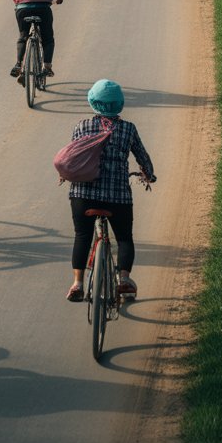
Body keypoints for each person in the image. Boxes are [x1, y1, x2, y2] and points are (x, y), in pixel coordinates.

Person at [65, 80, 154, 302]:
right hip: (118, 198)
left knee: (82, 235)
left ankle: (77, 284)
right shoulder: (128, 129)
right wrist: (149, 175)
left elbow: (73, 158)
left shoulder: (82, 126)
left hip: (82, 196)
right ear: (120, 104)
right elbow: (142, 158)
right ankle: (124, 279)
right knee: (124, 238)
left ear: (92, 102)